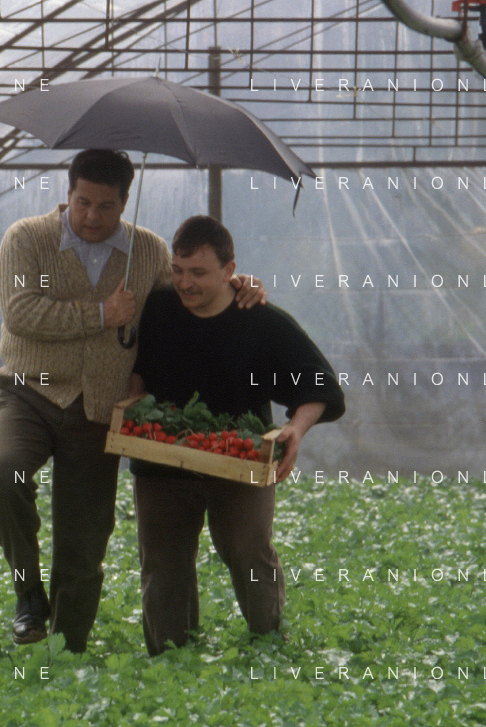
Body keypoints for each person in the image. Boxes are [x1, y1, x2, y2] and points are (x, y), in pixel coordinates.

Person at [0, 150, 267, 652]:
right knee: (4, 473)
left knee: (85, 536)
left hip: (100, 409)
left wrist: (234, 285)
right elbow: (20, 311)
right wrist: (101, 314)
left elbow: (186, 302)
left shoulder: (149, 252)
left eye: (106, 206)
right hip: (29, 392)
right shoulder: (26, 238)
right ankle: (28, 592)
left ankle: (66, 647)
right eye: (83, 203)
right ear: (68, 194)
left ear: (125, 201)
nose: (92, 216)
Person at [128, 214, 345, 656]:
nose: (184, 283)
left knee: (249, 550)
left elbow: (321, 385)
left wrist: (295, 428)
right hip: (162, 461)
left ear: (230, 271)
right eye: (177, 270)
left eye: (198, 273)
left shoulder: (261, 321)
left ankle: (269, 644)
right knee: (163, 564)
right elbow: (134, 369)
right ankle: (170, 658)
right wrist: (133, 398)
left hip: (242, 459)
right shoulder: (157, 309)